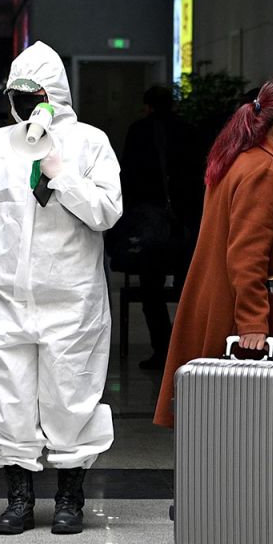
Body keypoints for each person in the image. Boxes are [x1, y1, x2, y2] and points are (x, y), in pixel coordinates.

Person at [0, 42, 121, 536]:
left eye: (34, 93)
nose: (25, 103)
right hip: (8, 296)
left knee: (72, 397)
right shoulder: (0, 144)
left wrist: (63, 177)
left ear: (55, 94)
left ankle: (70, 498)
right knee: (10, 398)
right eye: (16, 94)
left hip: (71, 299)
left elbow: (107, 212)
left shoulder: (90, 142)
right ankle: (20, 499)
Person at [154, 79, 273, 427]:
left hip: (220, 302)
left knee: (219, 424)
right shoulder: (262, 168)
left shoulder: (237, 158)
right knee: (246, 426)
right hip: (241, 316)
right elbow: (248, 253)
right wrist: (253, 322)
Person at [118, 84, 205, 370]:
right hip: (186, 223)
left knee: (151, 291)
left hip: (150, 224)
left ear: (148, 106)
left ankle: (162, 350)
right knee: (188, 291)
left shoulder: (138, 132)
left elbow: (128, 177)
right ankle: (190, 350)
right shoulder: (190, 131)